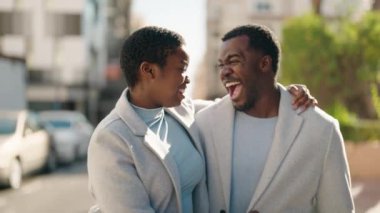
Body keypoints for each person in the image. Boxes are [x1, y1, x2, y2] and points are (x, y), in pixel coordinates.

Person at [87, 26, 316, 213]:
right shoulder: (110, 140)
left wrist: (284, 93)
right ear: (148, 71)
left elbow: (241, 102)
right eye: (181, 69)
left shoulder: (182, 111)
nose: (187, 79)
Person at [195, 24, 354, 213]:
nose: (224, 72)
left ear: (264, 63)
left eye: (234, 61)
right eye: (221, 65)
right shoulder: (204, 122)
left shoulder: (322, 130)